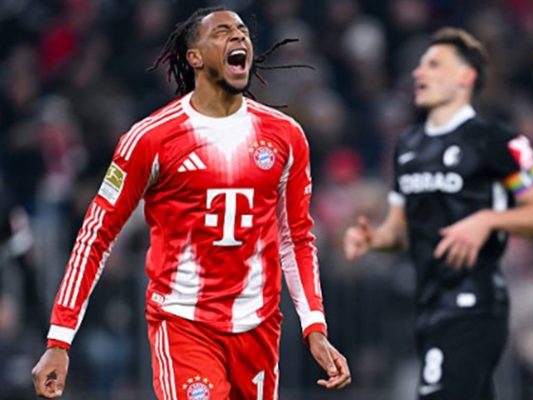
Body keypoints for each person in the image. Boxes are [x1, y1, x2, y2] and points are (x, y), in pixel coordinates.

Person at [32, 6, 351, 399]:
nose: (239, 36)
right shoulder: (151, 139)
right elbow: (95, 236)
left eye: (242, 30)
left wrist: (314, 326)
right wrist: (59, 338)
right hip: (184, 325)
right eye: (222, 31)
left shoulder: (286, 136)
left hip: (259, 330)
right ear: (194, 57)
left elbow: (297, 238)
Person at [344, 27, 533, 400]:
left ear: (466, 77)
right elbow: (399, 229)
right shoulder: (408, 146)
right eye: (420, 65)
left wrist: (488, 220)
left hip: (474, 303)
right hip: (428, 304)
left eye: (434, 65)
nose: (419, 72)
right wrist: (375, 239)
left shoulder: (498, 141)